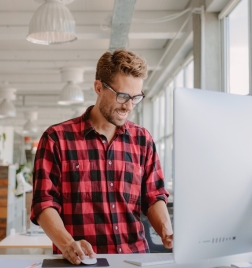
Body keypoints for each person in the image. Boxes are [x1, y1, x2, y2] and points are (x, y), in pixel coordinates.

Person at [30, 49, 173, 265]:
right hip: (81, 262)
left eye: (136, 97)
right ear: (99, 87)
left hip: (134, 260)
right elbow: (44, 203)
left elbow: (153, 196)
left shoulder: (143, 140)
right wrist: (68, 243)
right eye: (123, 96)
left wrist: (167, 232)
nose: (128, 106)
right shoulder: (56, 139)